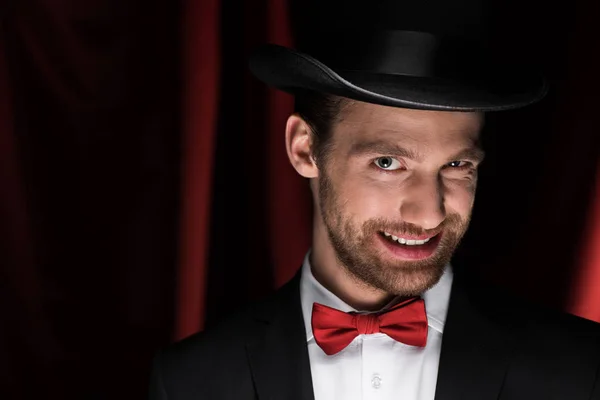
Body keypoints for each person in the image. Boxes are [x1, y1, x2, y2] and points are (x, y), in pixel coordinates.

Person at [148, 13, 600, 400]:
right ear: (305, 149)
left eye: (457, 164)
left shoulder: (580, 369)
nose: (429, 214)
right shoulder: (192, 382)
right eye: (388, 162)